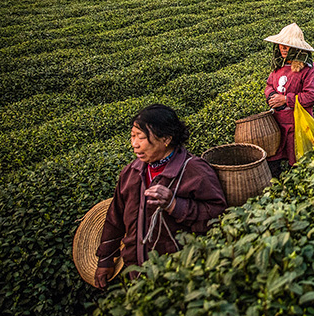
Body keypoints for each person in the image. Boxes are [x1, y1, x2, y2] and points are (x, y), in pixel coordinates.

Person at [94, 104, 226, 288]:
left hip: (180, 272)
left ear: (166, 139)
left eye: (141, 137)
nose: (134, 144)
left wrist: (174, 205)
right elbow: (114, 218)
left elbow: (218, 213)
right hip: (136, 270)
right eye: (133, 136)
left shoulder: (194, 170)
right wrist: (105, 259)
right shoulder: (131, 173)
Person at [263, 23, 314, 170]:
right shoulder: (279, 65)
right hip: (277, 123)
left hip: (297, 124)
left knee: (296, 163)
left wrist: (285, 99)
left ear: (296, 48)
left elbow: (312, 96)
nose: (283, 48)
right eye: (281, 45)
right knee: (273, 163)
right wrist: (271, 95)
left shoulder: (309, 70)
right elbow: (269, 84)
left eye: (287, 46)